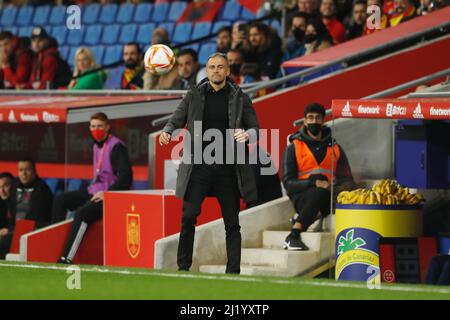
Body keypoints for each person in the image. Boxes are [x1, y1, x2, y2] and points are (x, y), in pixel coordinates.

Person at [159, 52, 259, 274]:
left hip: (228, 168)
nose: (216, 70)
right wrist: (168, 131)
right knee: (188, 217)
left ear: (227, 71)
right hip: (198, 167)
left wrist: (248, 135)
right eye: (212, 67)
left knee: (232, 223)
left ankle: (233, 272)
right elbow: (176, 118)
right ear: (207, 70)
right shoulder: (194, 94)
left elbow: (255, 128)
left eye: (220, 67)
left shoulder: (240, 96)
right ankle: (183, 267)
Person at [52, 112, 133, 264]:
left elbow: (125, 178)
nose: (97, 129)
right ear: (89, 127)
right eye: (93, 126)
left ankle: (66, 258)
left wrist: (108, 194)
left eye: (100, 126)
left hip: (111, 196)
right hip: (94, 190)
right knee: (61, 199)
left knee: (82, 213)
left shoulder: (117, 146)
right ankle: (52, 244)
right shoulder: (96, 144)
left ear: (108, 127)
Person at [282, 103, 354, 250]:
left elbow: (348, 179)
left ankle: (303, 220)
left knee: (328, 195)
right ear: (304, 121)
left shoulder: (334, 147)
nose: (314, 121)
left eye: (318, 118)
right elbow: (288, 183)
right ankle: (293, 235)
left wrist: (333, 187)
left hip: (329, 194)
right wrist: (312, 183)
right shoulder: (293, 148)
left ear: (323, 120)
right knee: (319, 193)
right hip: (301, 196)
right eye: (310, 118)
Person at [0, 172, 15, 259]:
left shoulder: (18, 202)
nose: (2, 191)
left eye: (5, 186)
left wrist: (9, 230)